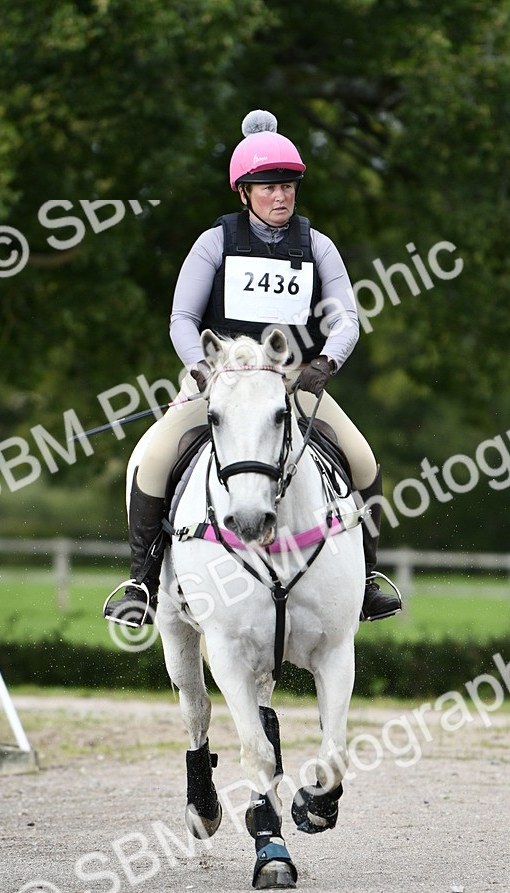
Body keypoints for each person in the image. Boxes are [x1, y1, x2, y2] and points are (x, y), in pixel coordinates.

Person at [104, 109, 401, 627]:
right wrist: (200, 369)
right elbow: (182, 319)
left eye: (288, 186)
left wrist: (326, 362)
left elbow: (347, 318)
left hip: (293, 382)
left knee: (363, 459)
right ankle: (141, 584)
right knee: (153, 458)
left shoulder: (318, 246)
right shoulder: (214, 243)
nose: (281, 197)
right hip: (221, 380)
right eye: (268, 188)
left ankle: (368, 580)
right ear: (243, 192)